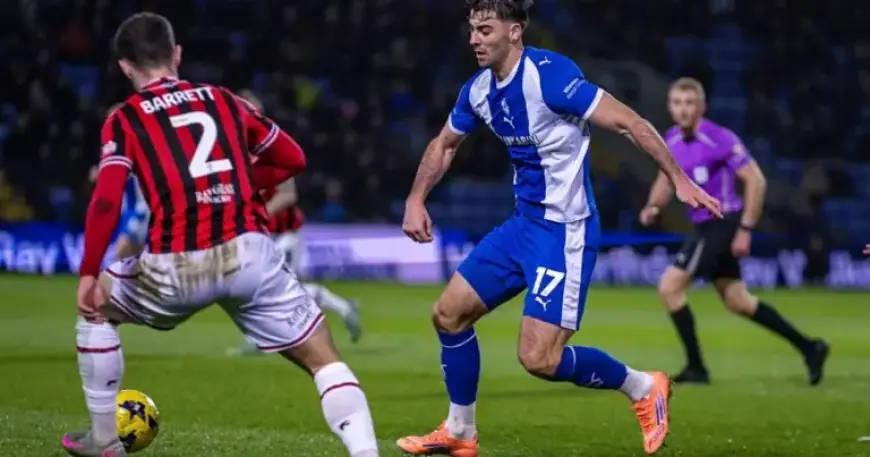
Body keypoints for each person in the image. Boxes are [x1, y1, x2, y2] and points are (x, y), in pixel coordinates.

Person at [396, 1, 722, 456]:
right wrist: (416, 199)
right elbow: (445, 144)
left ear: (514, 33)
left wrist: (678, 179)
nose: (474, 39)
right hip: (522, 226)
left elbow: (629, 121)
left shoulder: (549, 76)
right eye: (472, 29)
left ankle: (645, 387)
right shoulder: (478, 91)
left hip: (564, 232)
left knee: (539, 359)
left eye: (485, 29)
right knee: (448, 315)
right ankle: (460, 432)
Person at [65, 12, 378, 457]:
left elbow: (105, 200)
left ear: (125, 66)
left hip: (177, 265)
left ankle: (103, 440)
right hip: (247, 254)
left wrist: (88, 272)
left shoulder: (125, 119)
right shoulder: (224, 100)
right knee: (324, 359)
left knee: (96, 312)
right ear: (177, 55)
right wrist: (243, 181)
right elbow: (292, 158)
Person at [639, 77, 829, 385]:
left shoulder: (721, 139)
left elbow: (756, 180)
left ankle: (697, 367)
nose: (683, 110)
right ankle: (810, 347)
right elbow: (666, 179)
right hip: (705, 227)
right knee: (738, 301)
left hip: (721, 223)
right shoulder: (671, 139)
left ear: (702, 106)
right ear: (669, 106)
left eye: (690, 103)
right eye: (677, 103)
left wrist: (745, 229)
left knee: (670, 287)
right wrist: (654, 206)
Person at [226, 91, 362, 357]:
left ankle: (341, 309)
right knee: (255, 286)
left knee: (281, 288)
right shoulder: (234, 151)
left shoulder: (268, 146)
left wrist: (258, 216)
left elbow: (288, 195)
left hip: (284, 232)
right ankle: (263, 338)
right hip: (261, 233)